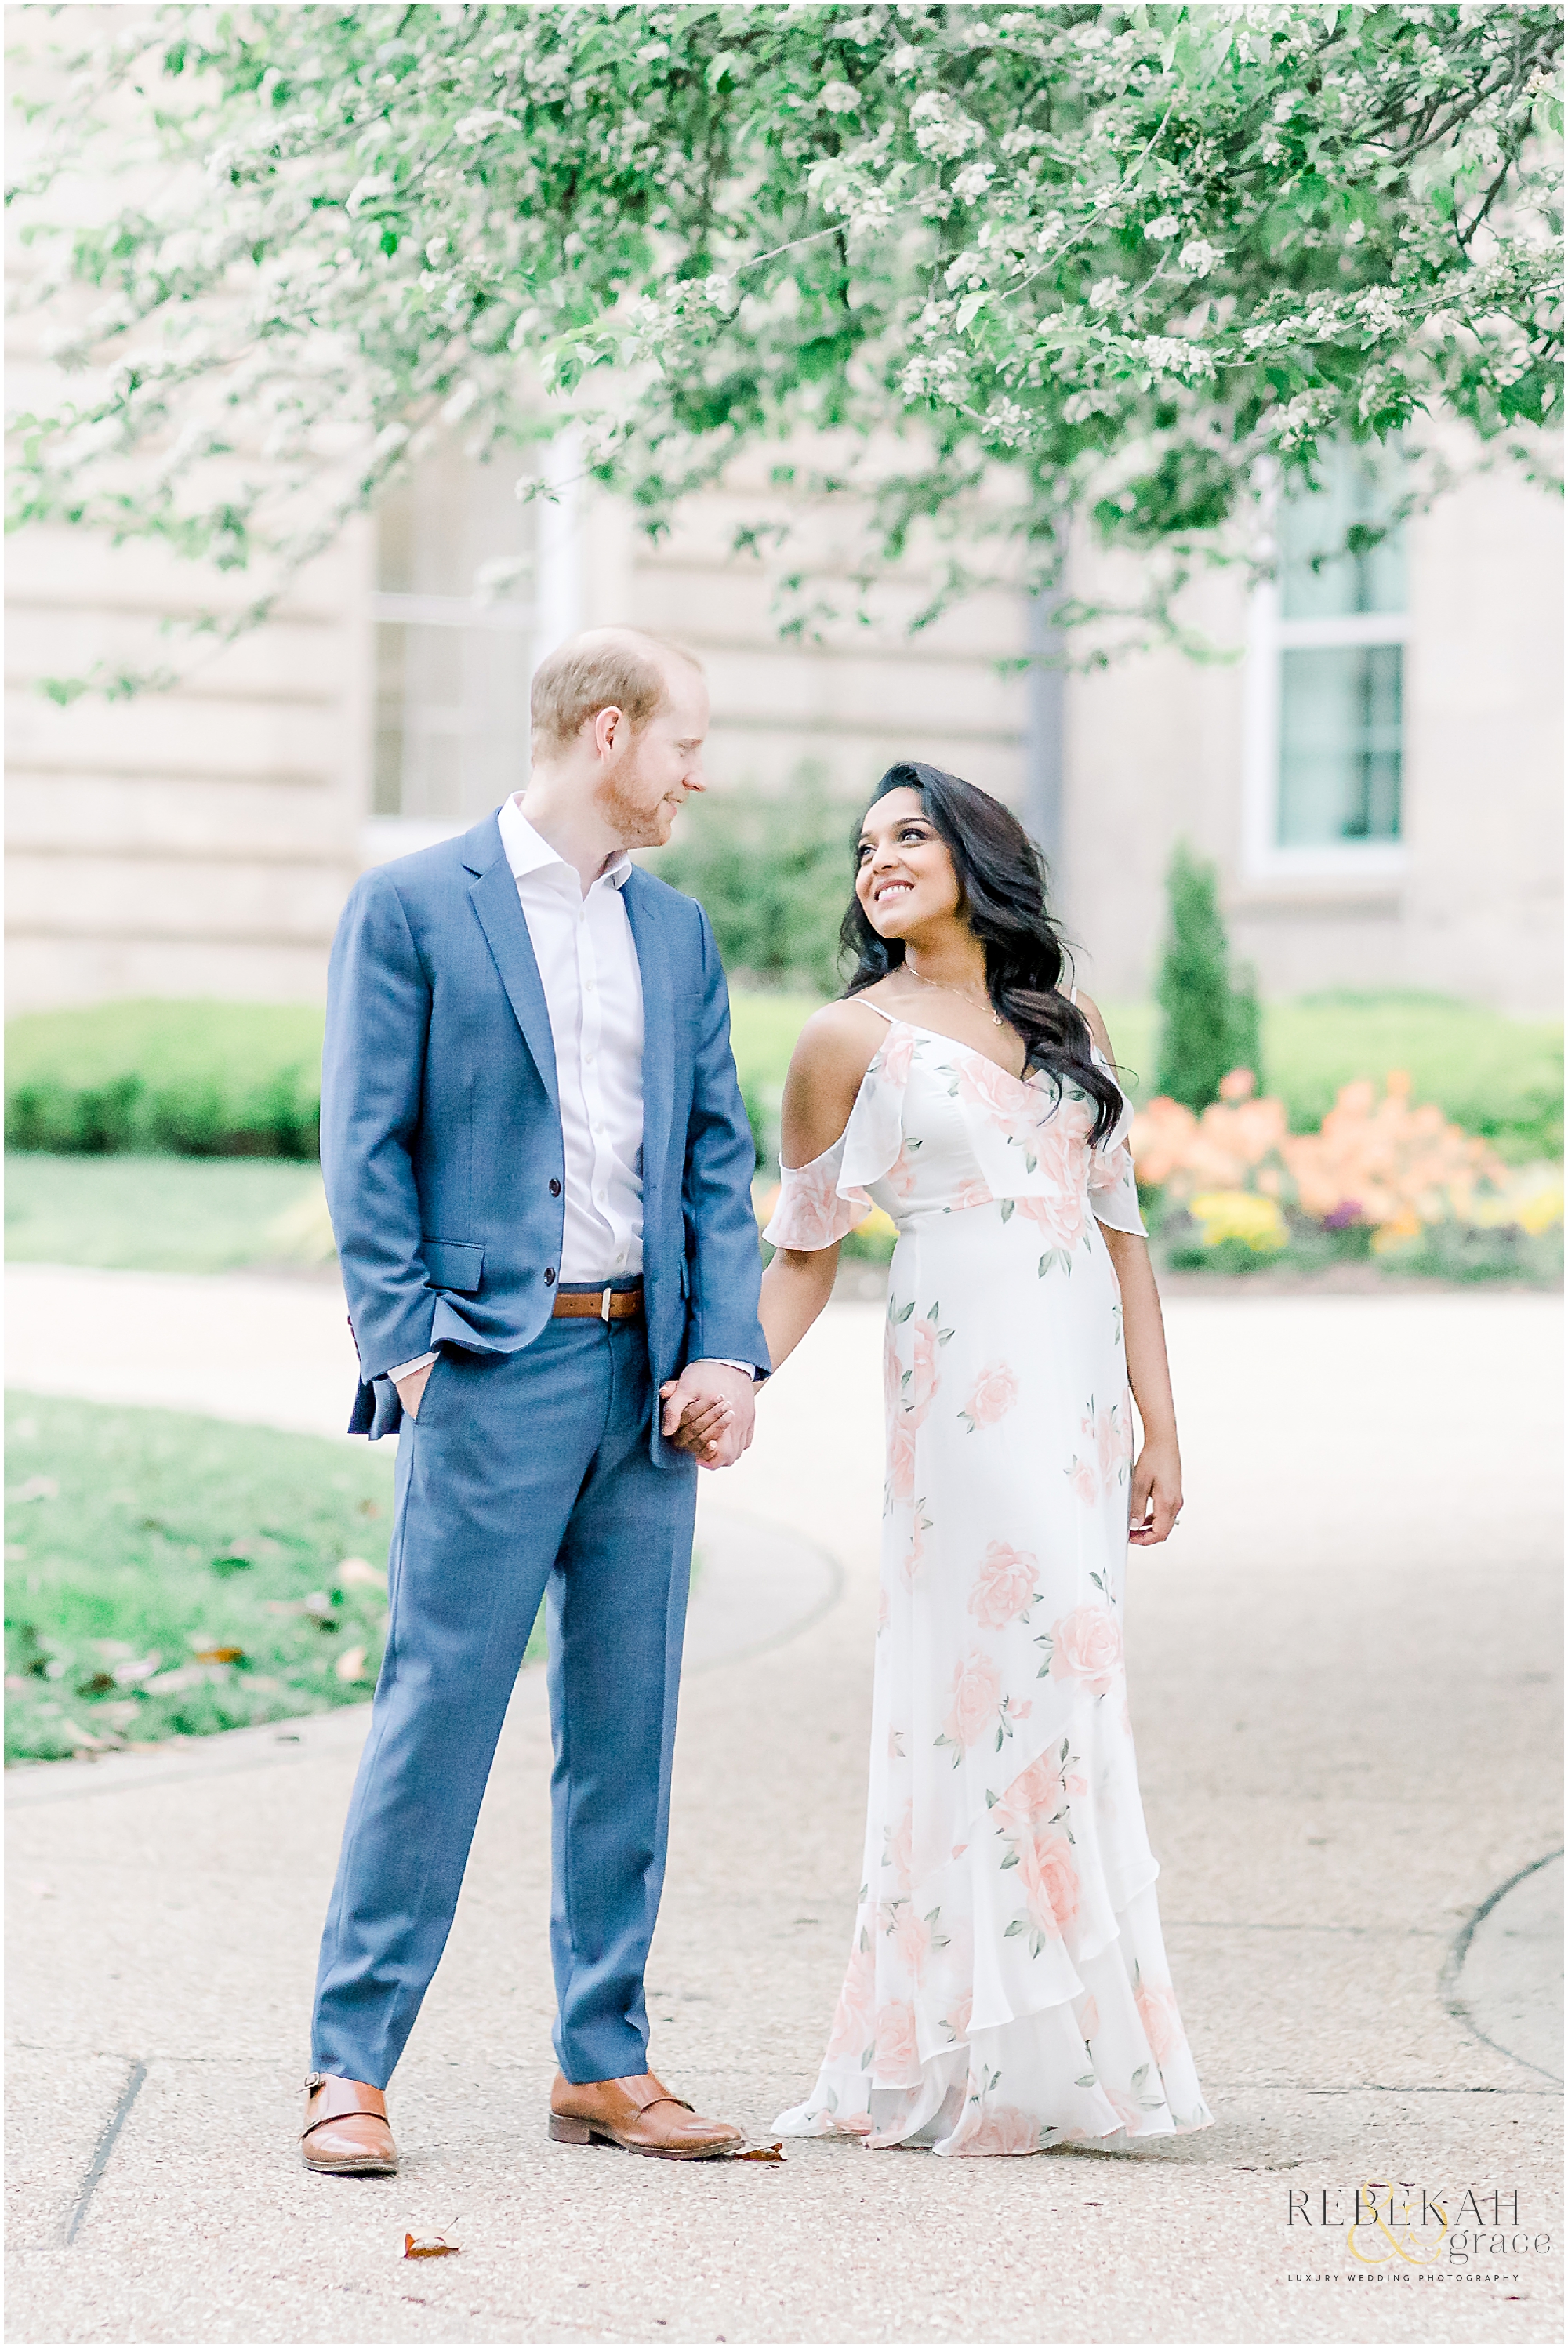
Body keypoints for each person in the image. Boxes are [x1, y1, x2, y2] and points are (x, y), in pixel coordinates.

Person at [299, 629, 768, 2178]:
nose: (698, 772)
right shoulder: (416, 907)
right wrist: (411, 1346)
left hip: (646, 1387)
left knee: (624, 1735)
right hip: (493, 1371)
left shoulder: (679, 934)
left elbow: (711, 1151)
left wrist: (726, 1351)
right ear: (609, 731)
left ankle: (603, 2062)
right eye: (684, 742)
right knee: (438, 1715)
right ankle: (350, 2066)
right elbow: (364, 1141)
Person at [758, 760, 1214, 2156]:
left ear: (976, 855)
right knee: (1024, 1660)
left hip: (1075, 1391)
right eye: (861, 848)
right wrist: (728, 1377)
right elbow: (803, 1248)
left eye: (908, 835)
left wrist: (1157, 1421)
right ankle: (961, 2048)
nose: (878, 861)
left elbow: (1121, 1229)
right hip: (962, 1382)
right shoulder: (847, 1039)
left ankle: (1055, 2051)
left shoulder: (1064, 1023)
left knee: (1067, 1675)